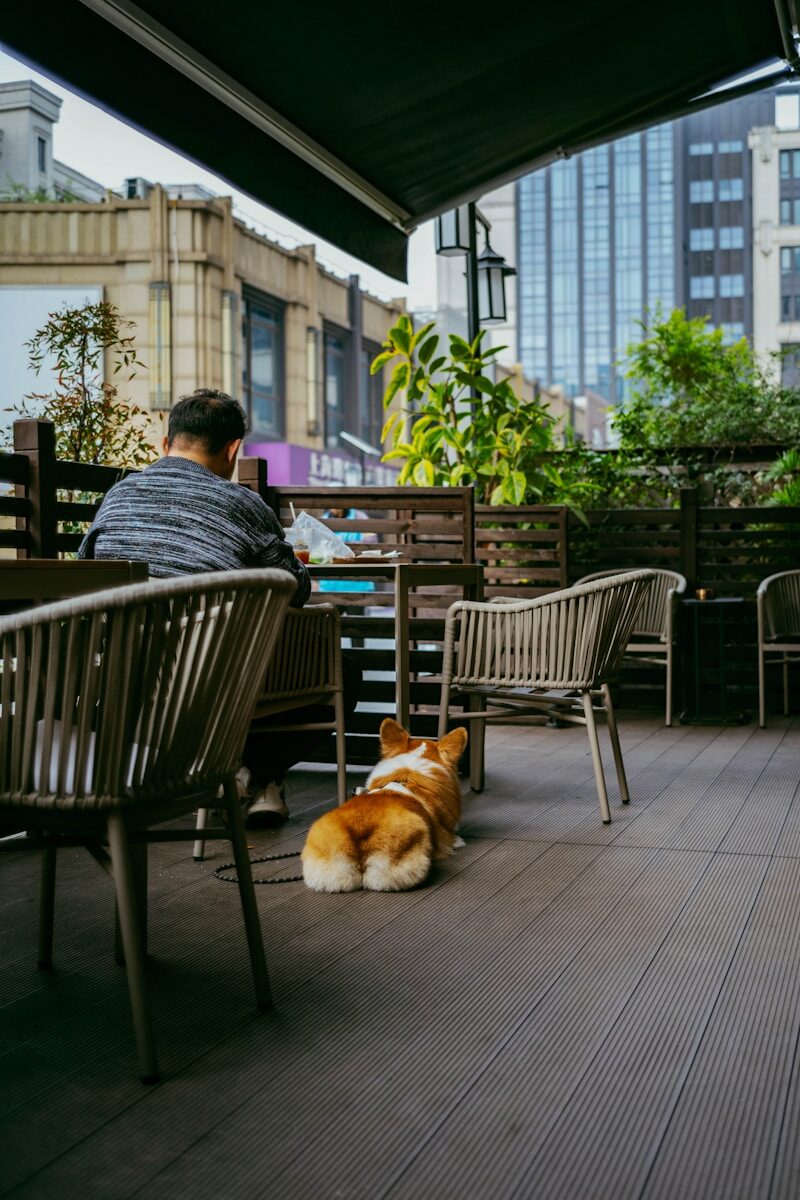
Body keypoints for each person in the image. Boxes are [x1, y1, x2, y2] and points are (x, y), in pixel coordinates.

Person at [78, 388, 361, 824]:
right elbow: (295, 589)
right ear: (233, 449)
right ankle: (257, 775)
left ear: (165, 443)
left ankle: (251, 778)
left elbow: (86, 571)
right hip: (209, 683)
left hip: (123, 677)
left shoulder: (118, 495)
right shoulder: (243, 503)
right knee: (338, 667)